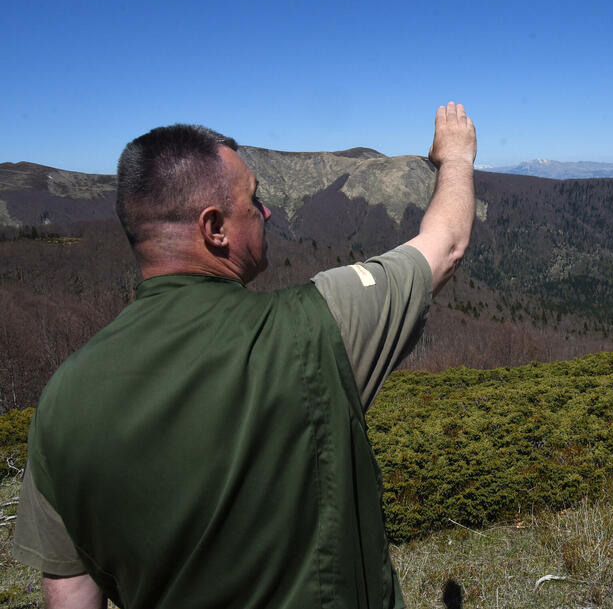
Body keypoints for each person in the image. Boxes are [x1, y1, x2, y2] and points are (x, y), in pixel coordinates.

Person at [12, 102, 477, 609]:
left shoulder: (60, 402)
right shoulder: (316, 329)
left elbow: (70, 591)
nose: (267, 212)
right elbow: (446, 244)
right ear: (215, 229)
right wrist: (455, 159)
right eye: (254, 201)